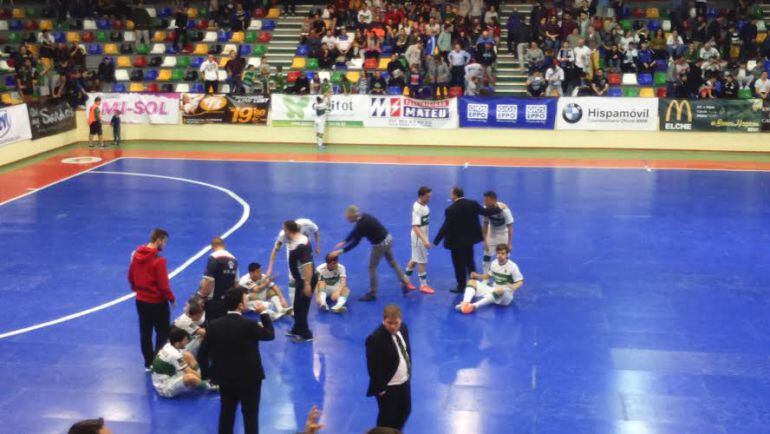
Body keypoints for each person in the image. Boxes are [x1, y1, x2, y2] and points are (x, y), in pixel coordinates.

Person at [198, 288, 274, 434]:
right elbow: (269, 335)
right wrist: (263, 313)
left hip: (226, 379)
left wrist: (209, 375)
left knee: (226, 415)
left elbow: (202, 355)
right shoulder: (250, 324)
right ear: (240, 305)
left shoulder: (214, 325)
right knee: (250, 417)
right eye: (245, 298)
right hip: (250, 379)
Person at [329, 206, 415, 302]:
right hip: (388, 239)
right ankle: (405, 282)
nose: (346, 219)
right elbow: (355, 232)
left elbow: (355, 242)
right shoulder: (364, 216)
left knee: (372, 267)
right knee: (392, 262)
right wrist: (345, 241)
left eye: (347, 218)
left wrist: (340, 251)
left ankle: (372, 293)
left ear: (352, 216)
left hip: (379, 245)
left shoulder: (361, 225)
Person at [433, 187, 500, 293]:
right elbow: (485, 212)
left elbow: (445, 227)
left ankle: (461, 286)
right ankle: (473, 282)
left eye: (451, 193)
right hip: (469, 240)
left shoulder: (450, 209)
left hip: (456, 243)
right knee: (470, 261)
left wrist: (435, 241)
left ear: (455, 195)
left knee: (458, 264)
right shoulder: (472, 203)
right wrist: (499, 208)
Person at [128, 228, 175, 370]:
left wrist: (138, 290)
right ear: (159, 240)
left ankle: (148, 363)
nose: (164, 245)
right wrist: (171, 298)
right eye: (164, 242)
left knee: (145, 331)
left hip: (141, 300)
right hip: (157, 302)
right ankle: (158, 360)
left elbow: (131, 276)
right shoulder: (159, 261)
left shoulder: (135, 254)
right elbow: (163, 285)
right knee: (162, 331)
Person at [365, 304, 411, 430]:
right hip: (389, 388)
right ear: (383, 320)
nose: (392, 326)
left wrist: (408, 374)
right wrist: (381, 390)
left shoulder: (403, 328)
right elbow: (373, 368)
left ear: (400, 320)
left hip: (404, 382)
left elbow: (407, 351)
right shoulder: (375, 339)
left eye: (395, 323)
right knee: (386, 420)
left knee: (405, 410)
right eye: (389, 323)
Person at [265, 218, 320, 304]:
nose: (283, 230)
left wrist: (317, 246)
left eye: (284, 229)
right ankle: (293, 303)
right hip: (292, 250)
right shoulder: (283, 236)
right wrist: (269, 269)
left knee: (310, 271)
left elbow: (316, 231)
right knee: (292, 277)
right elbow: (274, 250)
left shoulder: (307, 224)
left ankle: (313, 292)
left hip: (305, 249)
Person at [151, 327, 217, 397]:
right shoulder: (174, 355)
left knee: (187, 355)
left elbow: (185, 357)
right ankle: (210, 386)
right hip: (164, 387)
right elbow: (188, 371)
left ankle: (200, 380)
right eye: (185, 340)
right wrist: (199, 379)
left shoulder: (169, 345)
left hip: (169, 375)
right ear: (178, 343)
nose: (187, 342)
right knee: (190, 377)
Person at [457, 244, 523, 314]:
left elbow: (520, 281)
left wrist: (514, 286)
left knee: (500, 290)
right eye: (498, 253)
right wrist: (477, 276)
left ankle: (474, 306)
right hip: (494, 291)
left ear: (507, 255)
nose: (500, 255)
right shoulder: (494, 263)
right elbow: (488, 276)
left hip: (505, 296)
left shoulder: (513, 267)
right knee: (471, 282)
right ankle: (465, 303)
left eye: (503, 253)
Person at [283, 220, 317, 343]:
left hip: (306, 280)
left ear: (288, 230)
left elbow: (307, 265)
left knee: (302, 308)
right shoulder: (295, 240)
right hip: (301, 280)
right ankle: (297, 329)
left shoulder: (301, 244)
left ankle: (306, 334)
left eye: (284, 229)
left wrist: (307, 284)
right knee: (297, 306)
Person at [196, 237, 238, 323]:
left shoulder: (213, 257)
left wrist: (202, 296)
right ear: (223, 245)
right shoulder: (234, 259)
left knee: (212, 324)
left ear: (212, 247)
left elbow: (208, 280)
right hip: (227, 299)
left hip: (214, 299)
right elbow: (236, 282)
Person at [404, 186, 435, 294]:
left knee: (414, 259)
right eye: (427, 197)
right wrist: (424, 240)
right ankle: (423, 285)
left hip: (421, 237)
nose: (429, 199)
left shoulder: (424, 206)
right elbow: (415, 227)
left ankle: (405, 280)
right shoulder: (418, 208)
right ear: (421, 196)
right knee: (422, 261)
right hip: (419, 238)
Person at [481, 191, 514, 276]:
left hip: (503, 233)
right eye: (484, 201)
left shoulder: (505, 210)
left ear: (493, 200)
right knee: (486, 254)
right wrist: (484, 240)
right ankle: (485, 277)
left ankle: (504, 275)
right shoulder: (485, 209)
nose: (484, 203)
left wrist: (509, 244)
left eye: (486, 201)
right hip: (491, 232)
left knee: (503, 256)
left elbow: (510, 227)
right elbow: (485, 225)